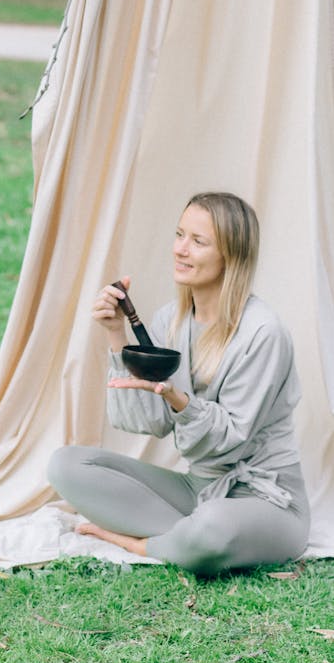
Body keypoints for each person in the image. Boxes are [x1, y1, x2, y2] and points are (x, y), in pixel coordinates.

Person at [47, 192, 310, 576]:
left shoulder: (262, 332)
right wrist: (116, 334)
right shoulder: (171, 319)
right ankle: (188, 540)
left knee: (214, 525)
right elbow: (147, 421)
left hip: (267, 500)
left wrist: (180, 401)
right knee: (66, 464)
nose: (180, 250)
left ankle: (143, 542)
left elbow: (231, 440)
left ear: (231, 257)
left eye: (198, 242)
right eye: (179, 234)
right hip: (197, 490)